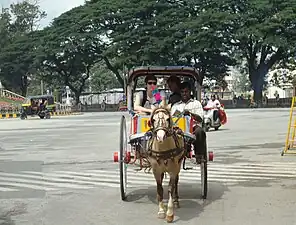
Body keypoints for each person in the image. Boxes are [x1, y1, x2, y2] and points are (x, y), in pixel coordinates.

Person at [171, 82, 207, 163]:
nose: (184, 94)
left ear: (190, 91)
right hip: (179, 128)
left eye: (186, 91)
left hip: (192, 128)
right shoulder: (176, 106)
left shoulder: (196, 103)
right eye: (182, 92)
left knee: (200, 131)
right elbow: (173, 119)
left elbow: (200, 118)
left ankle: (199, 155)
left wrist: (190, 114)